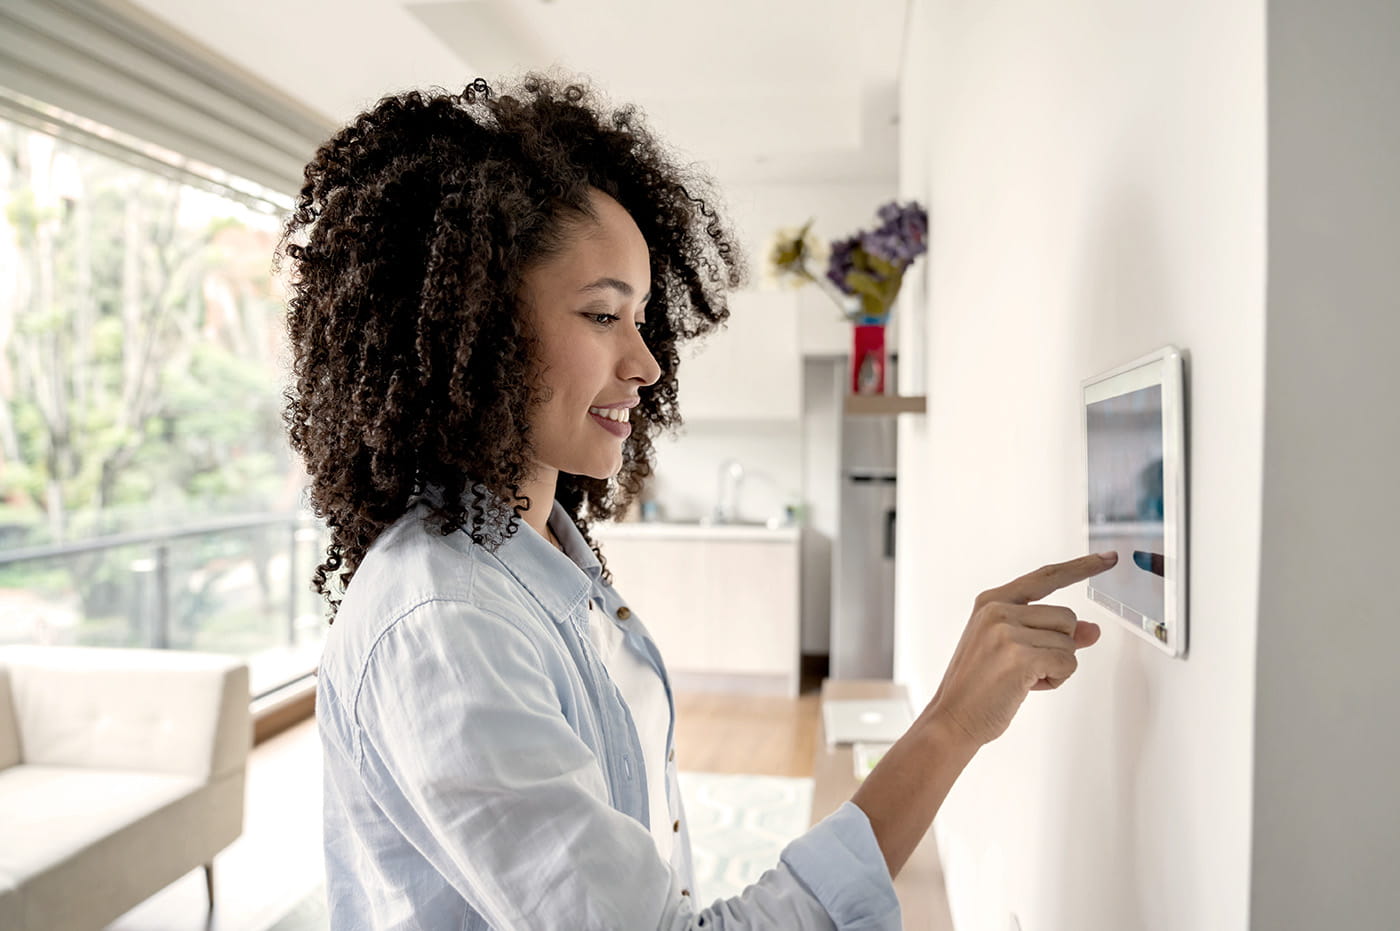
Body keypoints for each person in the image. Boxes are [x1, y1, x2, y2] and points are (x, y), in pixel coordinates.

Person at [278, 74, 1116, 930]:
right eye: (603, 314)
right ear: (475, 324)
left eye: (641, 317)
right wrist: (948, 726)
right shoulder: (445, 623)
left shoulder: (542, 557)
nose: (645, 364)